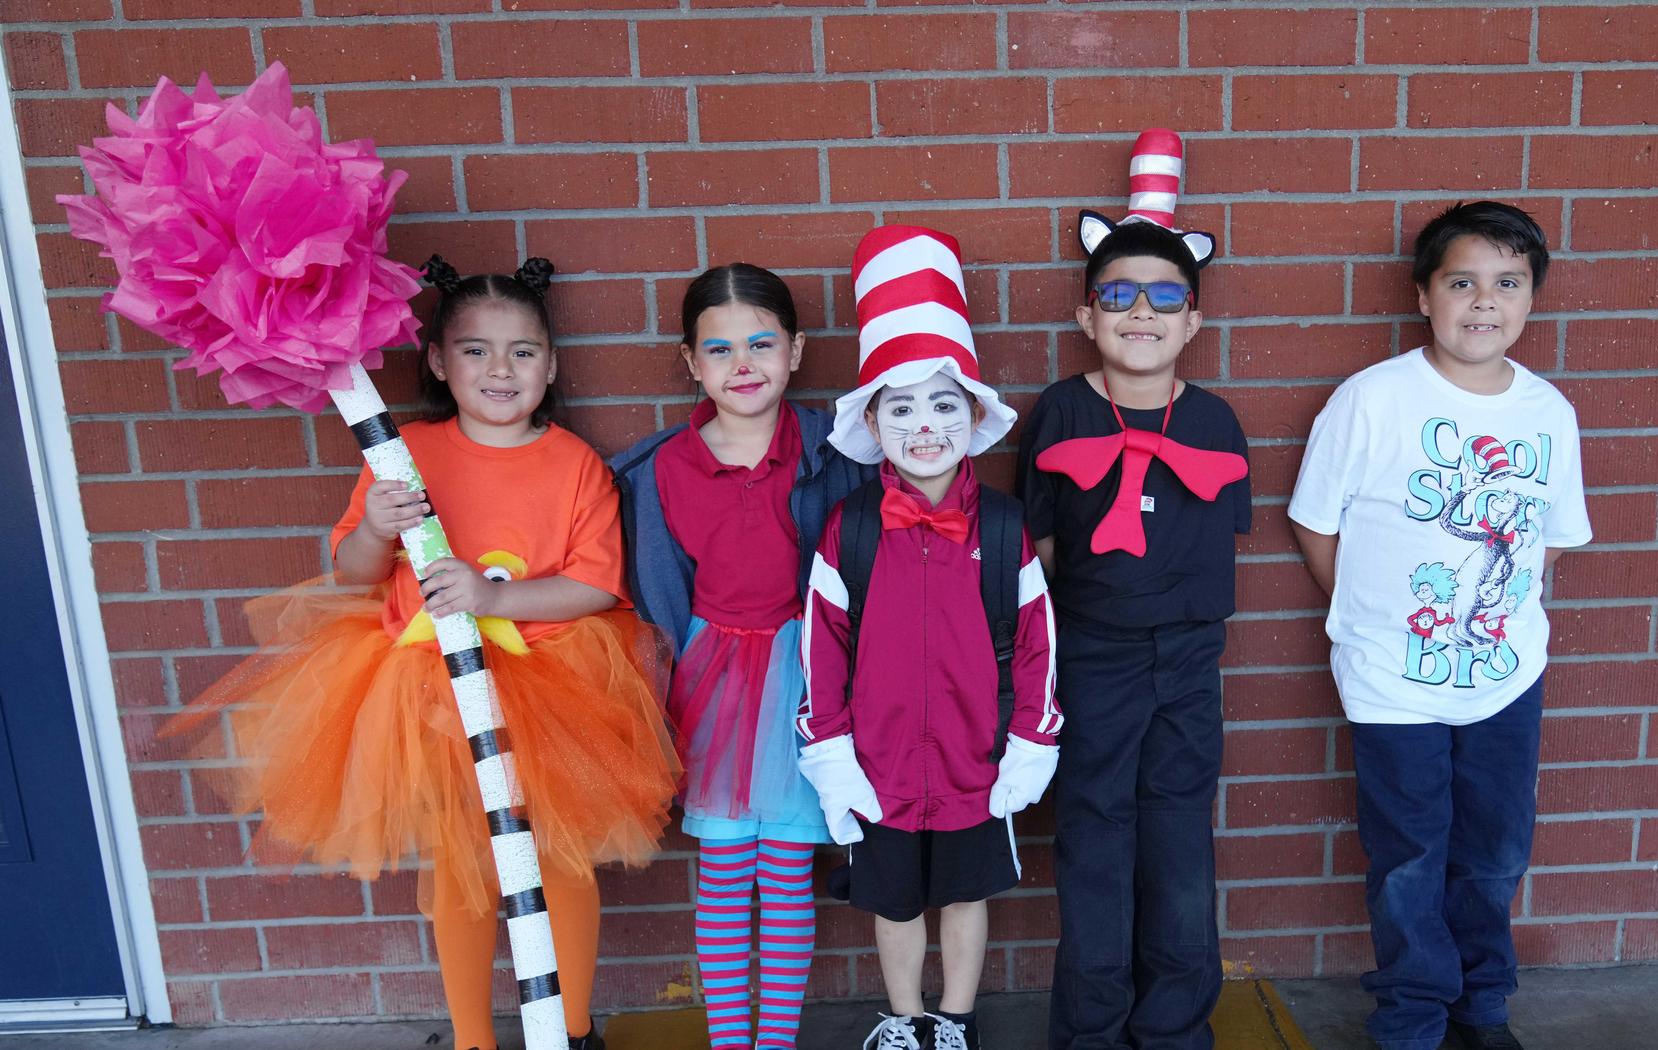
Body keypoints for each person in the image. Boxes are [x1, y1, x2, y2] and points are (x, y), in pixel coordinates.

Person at [174, 256, 682, 1050]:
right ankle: (473, 1037)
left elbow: (596, 585)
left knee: (560, 861)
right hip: (426, 692)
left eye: (522, 351)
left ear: (550, 364)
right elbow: (354, 574)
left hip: (555, 687)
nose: (501, 369)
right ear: (440, 362)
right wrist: (378, 524)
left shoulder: (574, 463)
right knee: (461, 865)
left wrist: (495, 598)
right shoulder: (404, 451)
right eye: (475, 350)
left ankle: (572, 1029)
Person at [1288, 201, 1593, 1050]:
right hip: (1392, 682)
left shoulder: (1547, 413)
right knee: (1411, 861)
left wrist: (1494, 614)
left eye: (1507, 283)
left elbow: (1552, 541)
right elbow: (1316, 523)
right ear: (1424, 295)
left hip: (1505, 681)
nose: (1484, 301)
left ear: (1531, 299)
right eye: (1462, 281)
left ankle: (1482, 1007)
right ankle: (1414, 1017)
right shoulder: (1373, 400)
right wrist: (1368, 619)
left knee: (1493, 856)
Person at [799, 225, 1060, 1050]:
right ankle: (904, 1019)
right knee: (894, 900)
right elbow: (821, 647)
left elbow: (1036, 642)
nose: (923, 426)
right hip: (877, 761)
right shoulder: (851, 529)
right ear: (873, 422)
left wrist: (1029, 743)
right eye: (900, 407)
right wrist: (831, 753)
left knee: (965, 896)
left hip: (973, 758)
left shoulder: (1008, 526)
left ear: (972, 417)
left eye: (944, 404)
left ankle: (956, 1020)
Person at [1017, 131, 1249, 1050]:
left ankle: (1176, 1029)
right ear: (1086, 317)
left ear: (1192, 321)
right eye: (1119, 296)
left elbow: (1211, 548)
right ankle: (1091, 1033)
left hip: (1188, 663)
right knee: (1095, 848)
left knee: (1181, 851)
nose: (1142, 313)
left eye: (1166, 298)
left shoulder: (1214, 419)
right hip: (1092, 658)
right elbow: (1034, 549)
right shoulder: (1061, 411)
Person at [613, 263, 870, 1049]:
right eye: (718, 349)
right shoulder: (659, 470)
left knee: (788, 869)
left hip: (809, 674)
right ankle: (732, 1041)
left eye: (761, 344)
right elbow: (659, 599)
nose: (743, 364)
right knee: (725, 868)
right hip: (714, 681)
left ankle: (775, 1042)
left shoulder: (838, 450)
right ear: (691, 363)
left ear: (795, 350)